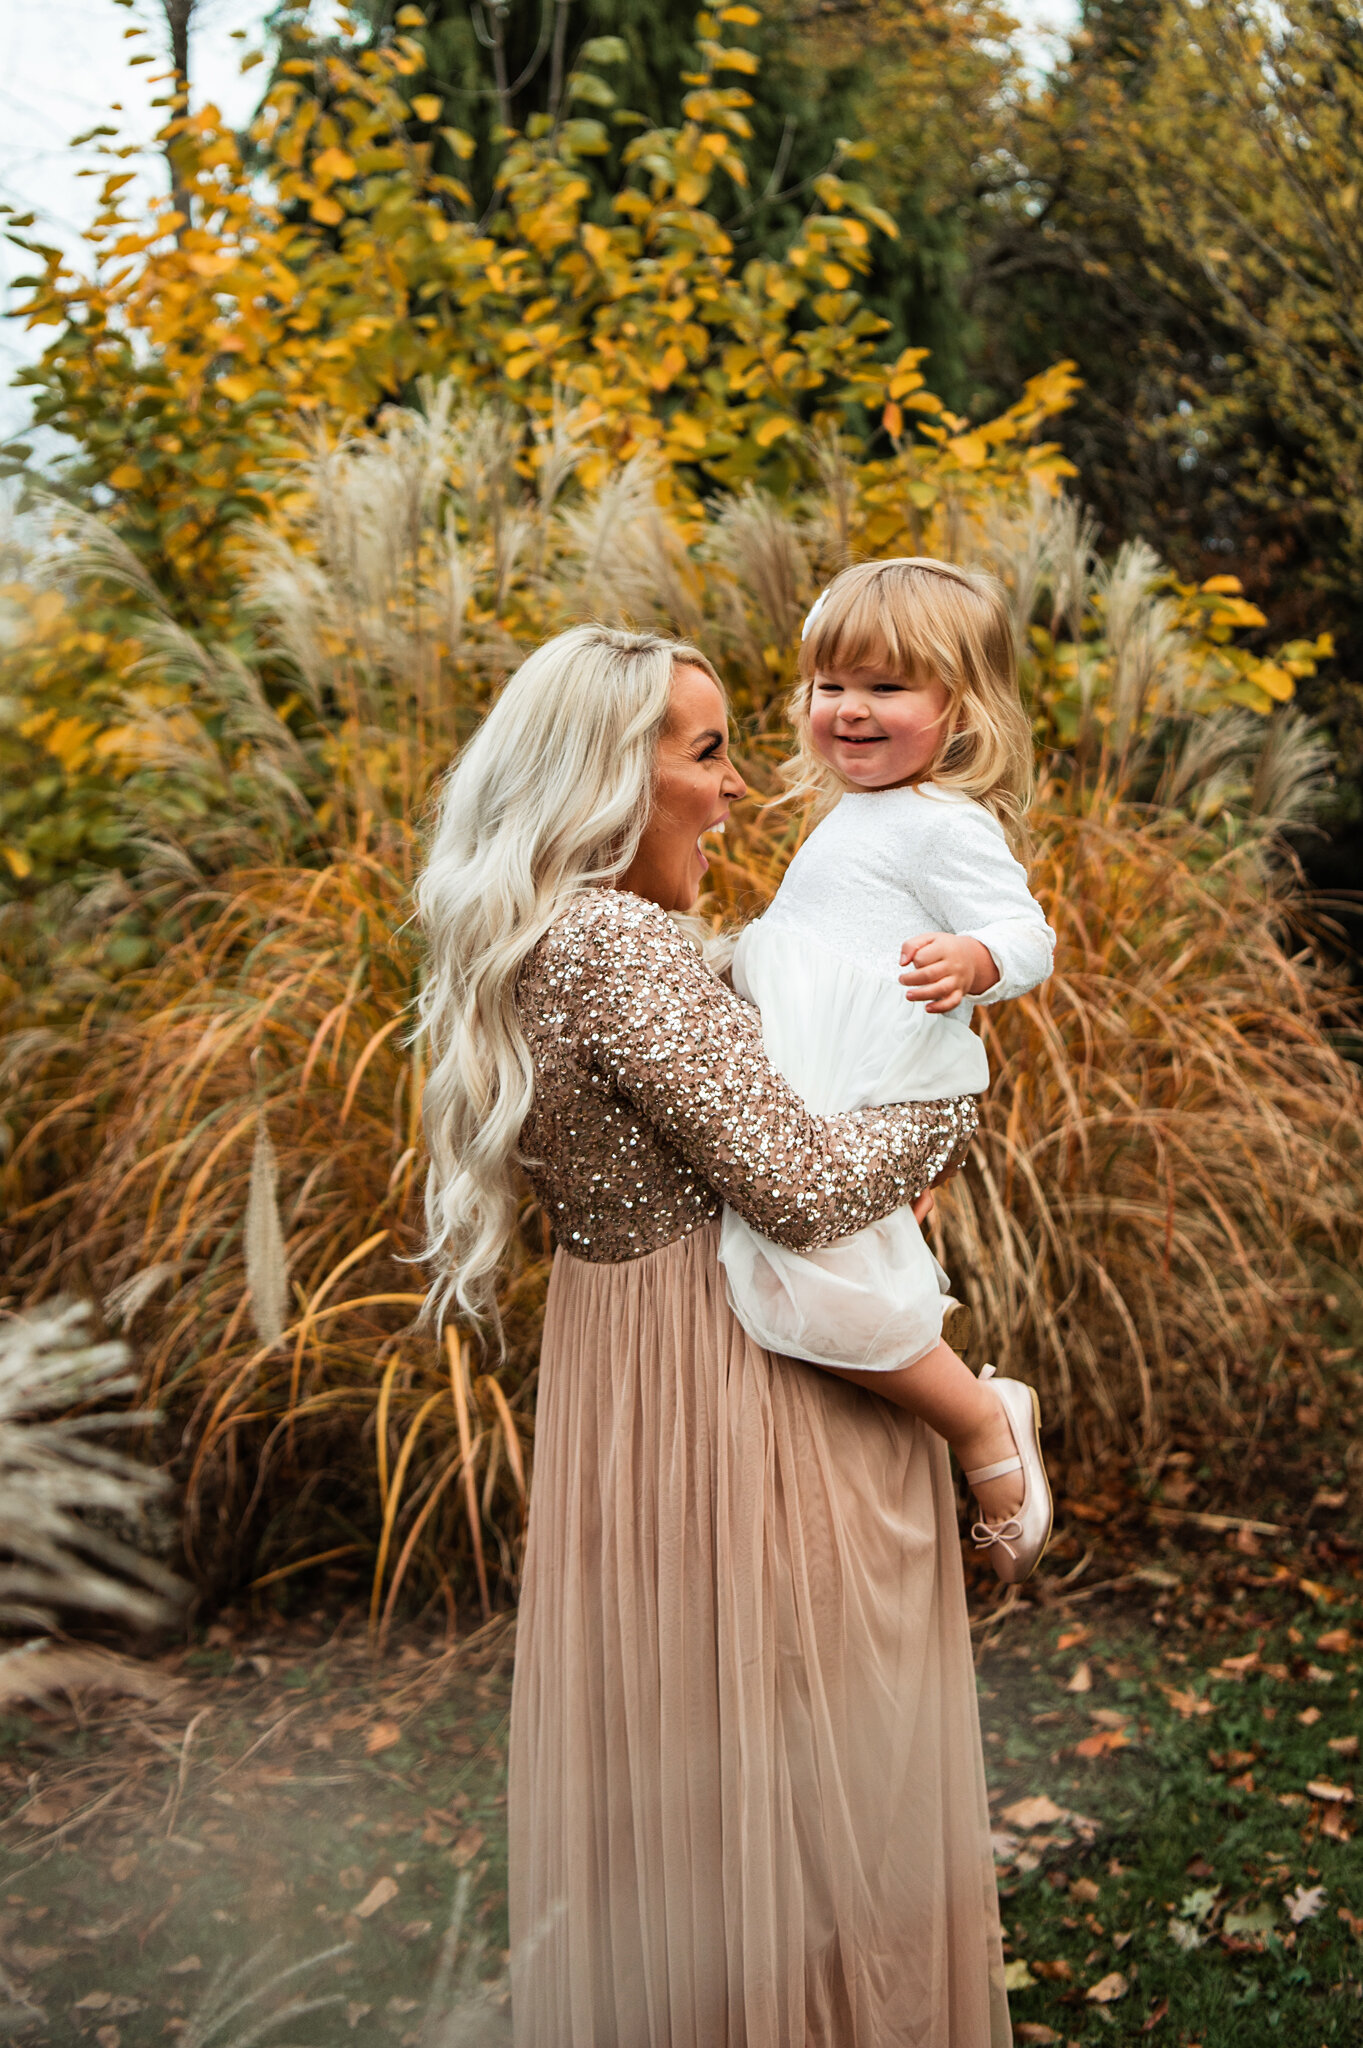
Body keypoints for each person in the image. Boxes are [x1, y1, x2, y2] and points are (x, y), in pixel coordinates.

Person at [417, 623, 1012, 2047]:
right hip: (730, 1376)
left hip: (632, 1370)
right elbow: (801, 1183)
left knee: (689, 1758)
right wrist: (950, 1103)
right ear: (608, 779)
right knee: (808, 1770)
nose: (739, 785)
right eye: (704, 752)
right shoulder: (619, 938)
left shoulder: (546, 933)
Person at [718, 557, 1054, 1582]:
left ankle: (984, 1425)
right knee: (789, 1285)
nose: (849, 710)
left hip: (874, 1076)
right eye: (831, 684)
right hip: (826, 1084)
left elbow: (1027, 933)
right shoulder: (848, 816)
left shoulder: (942, 821)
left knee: (809, 1294)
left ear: (959, 706)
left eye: (886, 686)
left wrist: (975, 960)